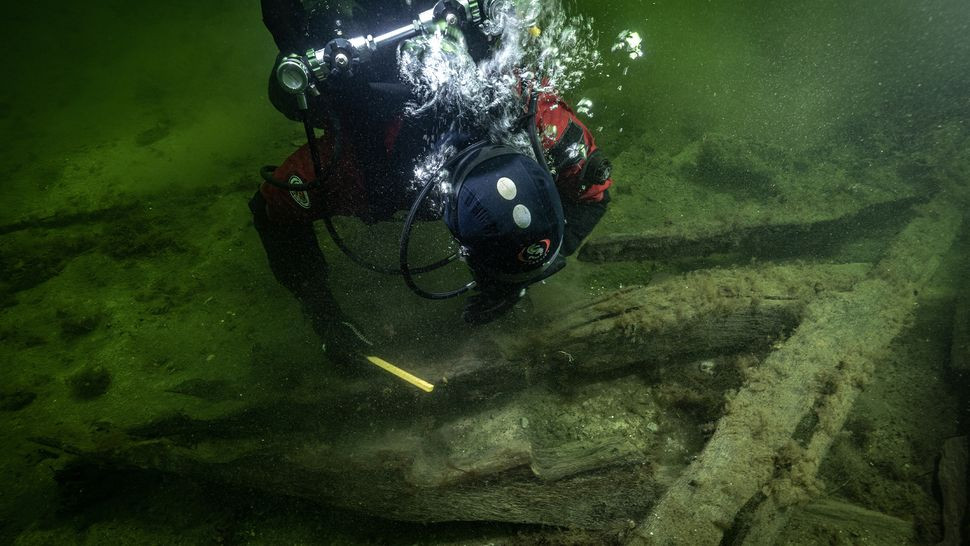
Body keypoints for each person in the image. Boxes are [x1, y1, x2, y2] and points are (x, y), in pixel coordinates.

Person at [250, 0, 614, 361]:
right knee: (295, 96)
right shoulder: (365, 169)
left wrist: (522, 276)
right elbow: (270, 209)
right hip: (366, 70)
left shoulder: (539, 126)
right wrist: (325, 317)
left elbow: (595, 195)